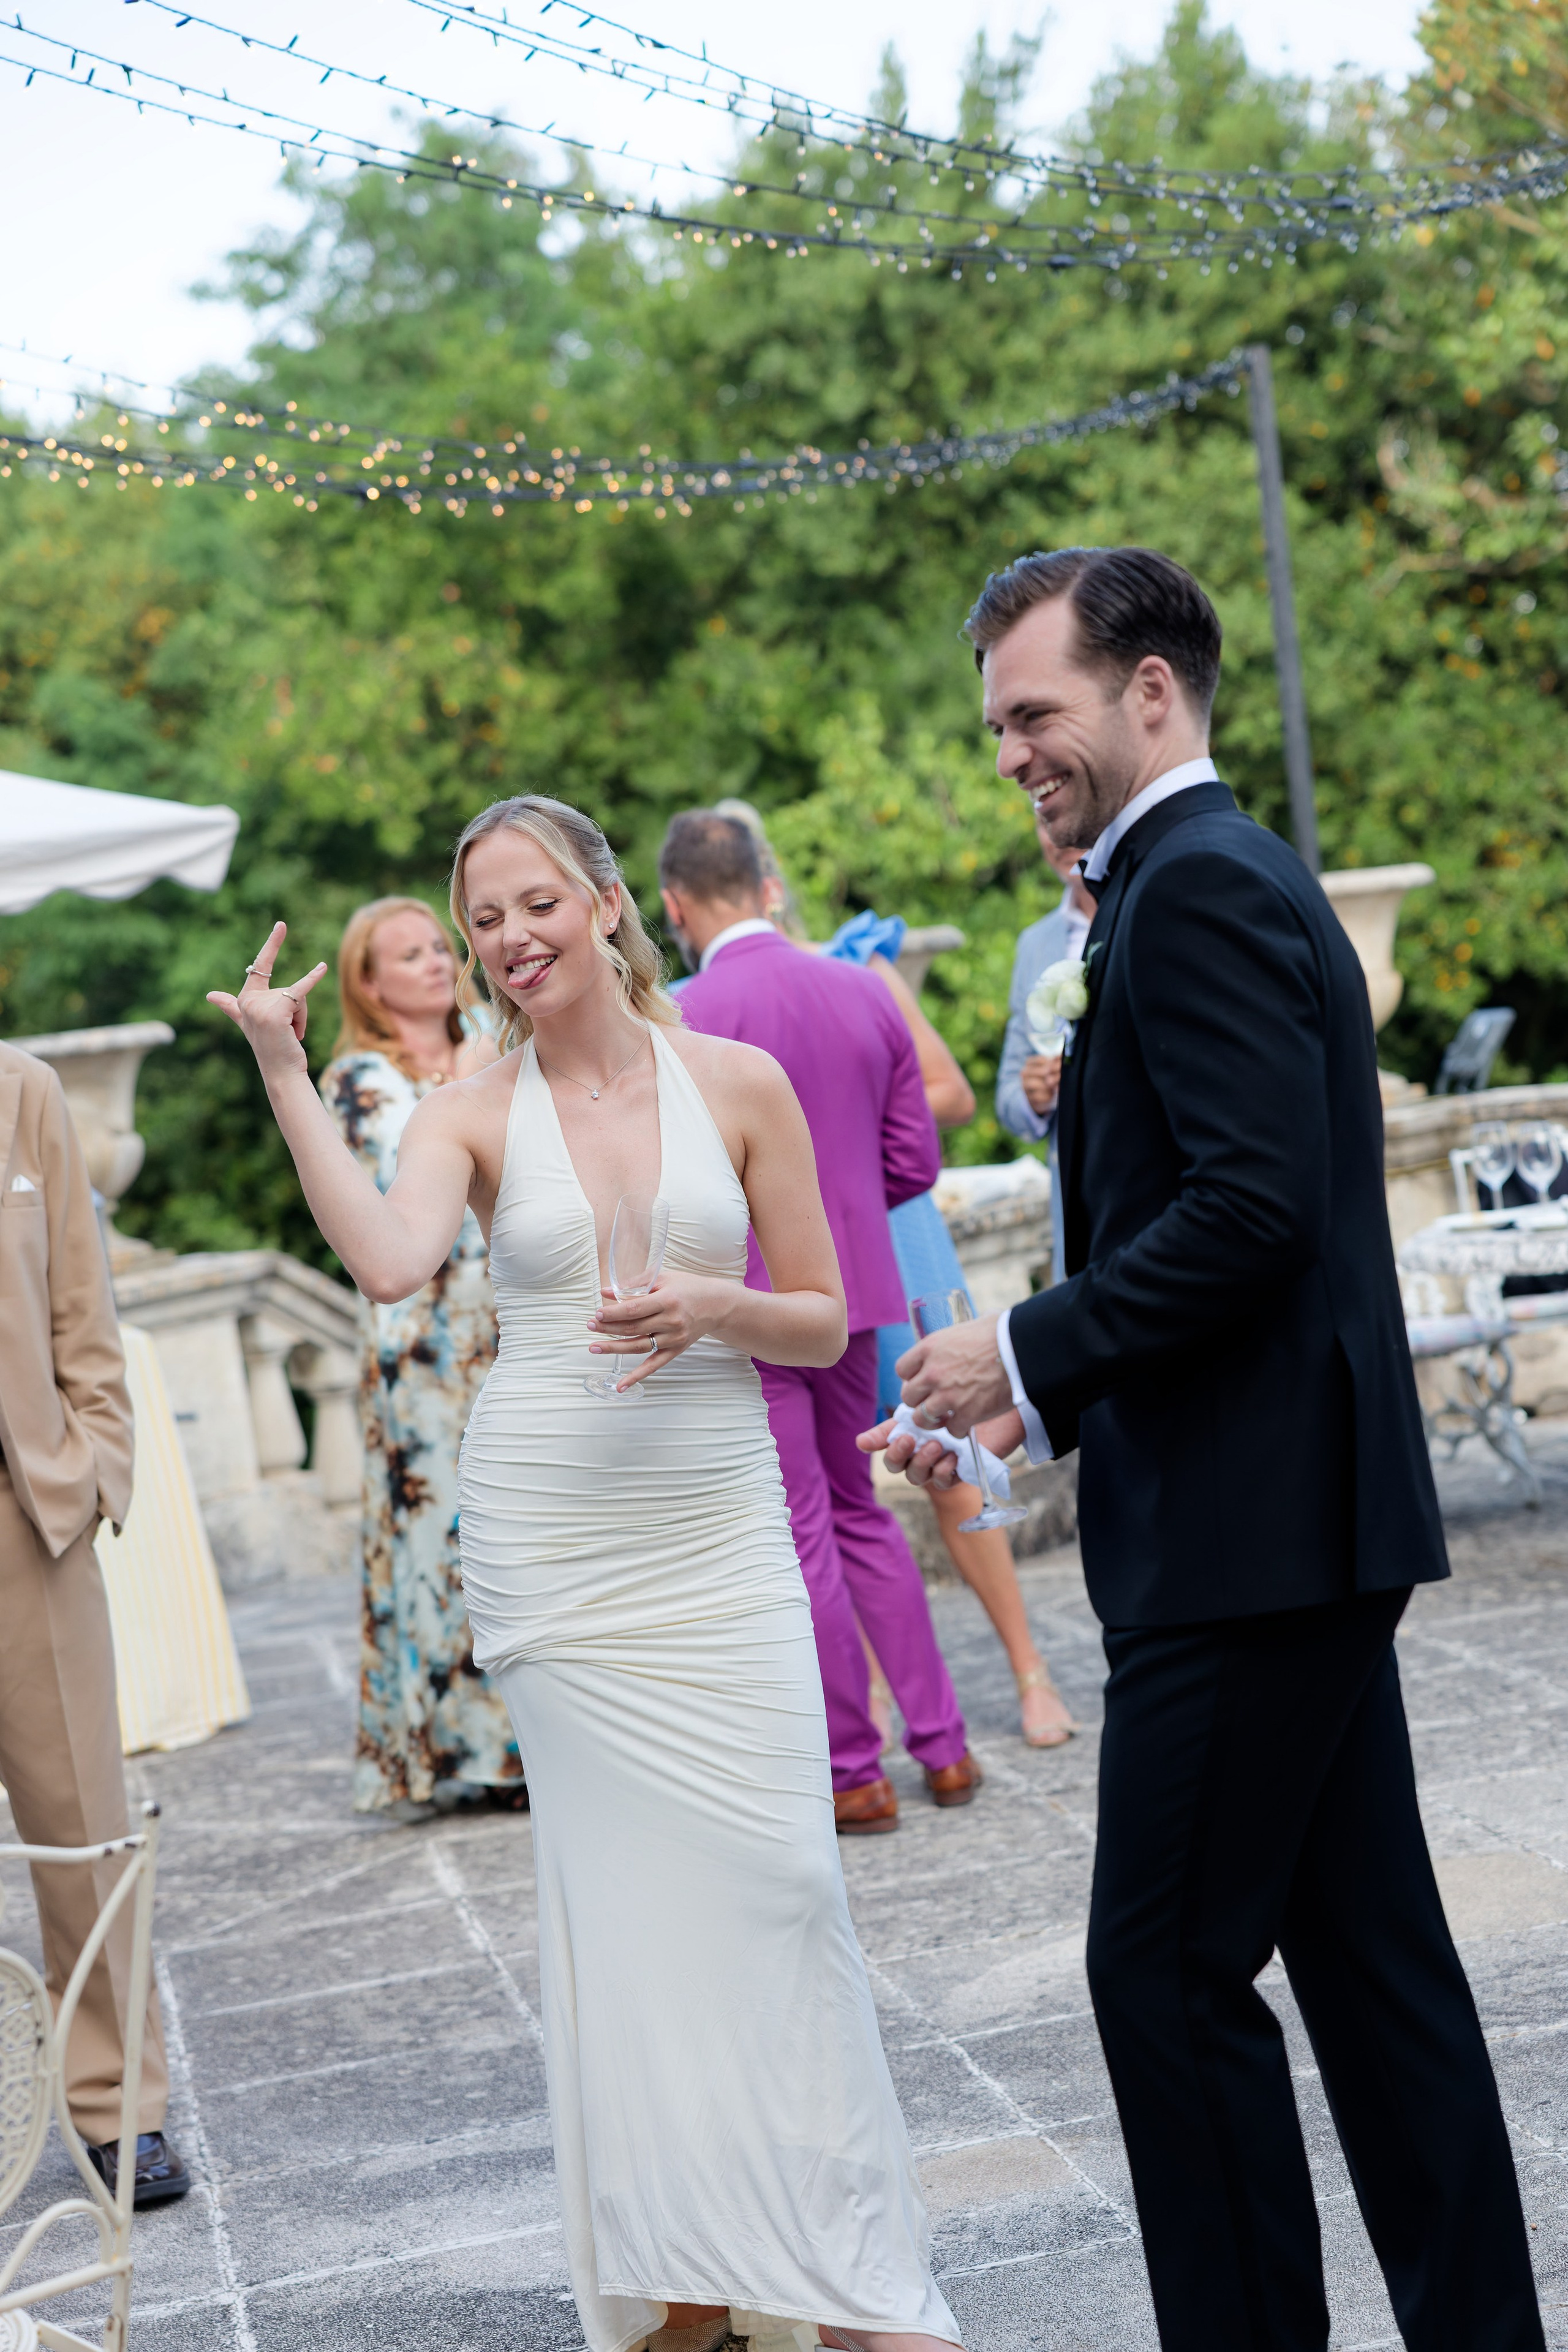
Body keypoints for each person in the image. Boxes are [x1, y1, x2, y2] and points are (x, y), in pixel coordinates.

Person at [865, 545, 1545, 2352]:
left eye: (1034, 712)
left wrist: (1021, 1340)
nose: (1010, 752)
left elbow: (1253, 1215)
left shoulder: (1198, 890)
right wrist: (1026, 1397)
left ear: (1149, 689)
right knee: (1375, 1974)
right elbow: (1222, 1216)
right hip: (1286, 1518)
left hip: (1250, 1540)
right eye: (997, 724)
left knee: (1160, 1974)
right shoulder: (1192, 881)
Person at [207, 796, 962, 2352]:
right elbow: (389, 1262)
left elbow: (823, 1317)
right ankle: (690, 2288)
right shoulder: (468, 1109)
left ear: (610, 903)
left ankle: (838, 2283)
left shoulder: (736, 1081)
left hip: (716, 1536)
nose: (509, 938)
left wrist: (711, 1304)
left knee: (782, 1895)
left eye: (536, 902)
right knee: (631, 1930)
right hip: (557, 1553)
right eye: (482, 918)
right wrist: (283, 1072)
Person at [662, 811, 981, 1834]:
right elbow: (914, 1162)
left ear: (673, 905)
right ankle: (944, 1749)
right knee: (862, 1511)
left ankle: (854, 1771)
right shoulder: (863, 989)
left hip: (750, 1305)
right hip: (853, 1294)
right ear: (764, 883)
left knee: (801, 1524)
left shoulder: (678, 1019)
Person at [0, 1037, 187, 2206]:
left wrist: (94, 1462)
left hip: (26, 1519)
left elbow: (80, 1293)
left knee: (83, 1831)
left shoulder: (21, 1090)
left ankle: (123, 2108)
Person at [823, 911, 1075, 1751]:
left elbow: (952, 1095)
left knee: (949, 1444)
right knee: (832, 1479)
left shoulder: (859, 968)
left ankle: (1030, 1672)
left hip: (893, 1225)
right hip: (800, 1236)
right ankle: (872, 1695)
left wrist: (835, 1123)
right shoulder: (693, 996)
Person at [320, 896, 523, 1818]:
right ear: (369, 984)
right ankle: (473, 1749)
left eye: (441, 947)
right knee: (448, 1537)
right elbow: (393, 1198)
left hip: (514, 1318)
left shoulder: (494, 1036)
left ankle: (541, 1729)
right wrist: (472, 1083)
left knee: (526, 1521)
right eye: (409, 955)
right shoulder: (360, 1079)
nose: (437, 962)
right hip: (427, 1349)